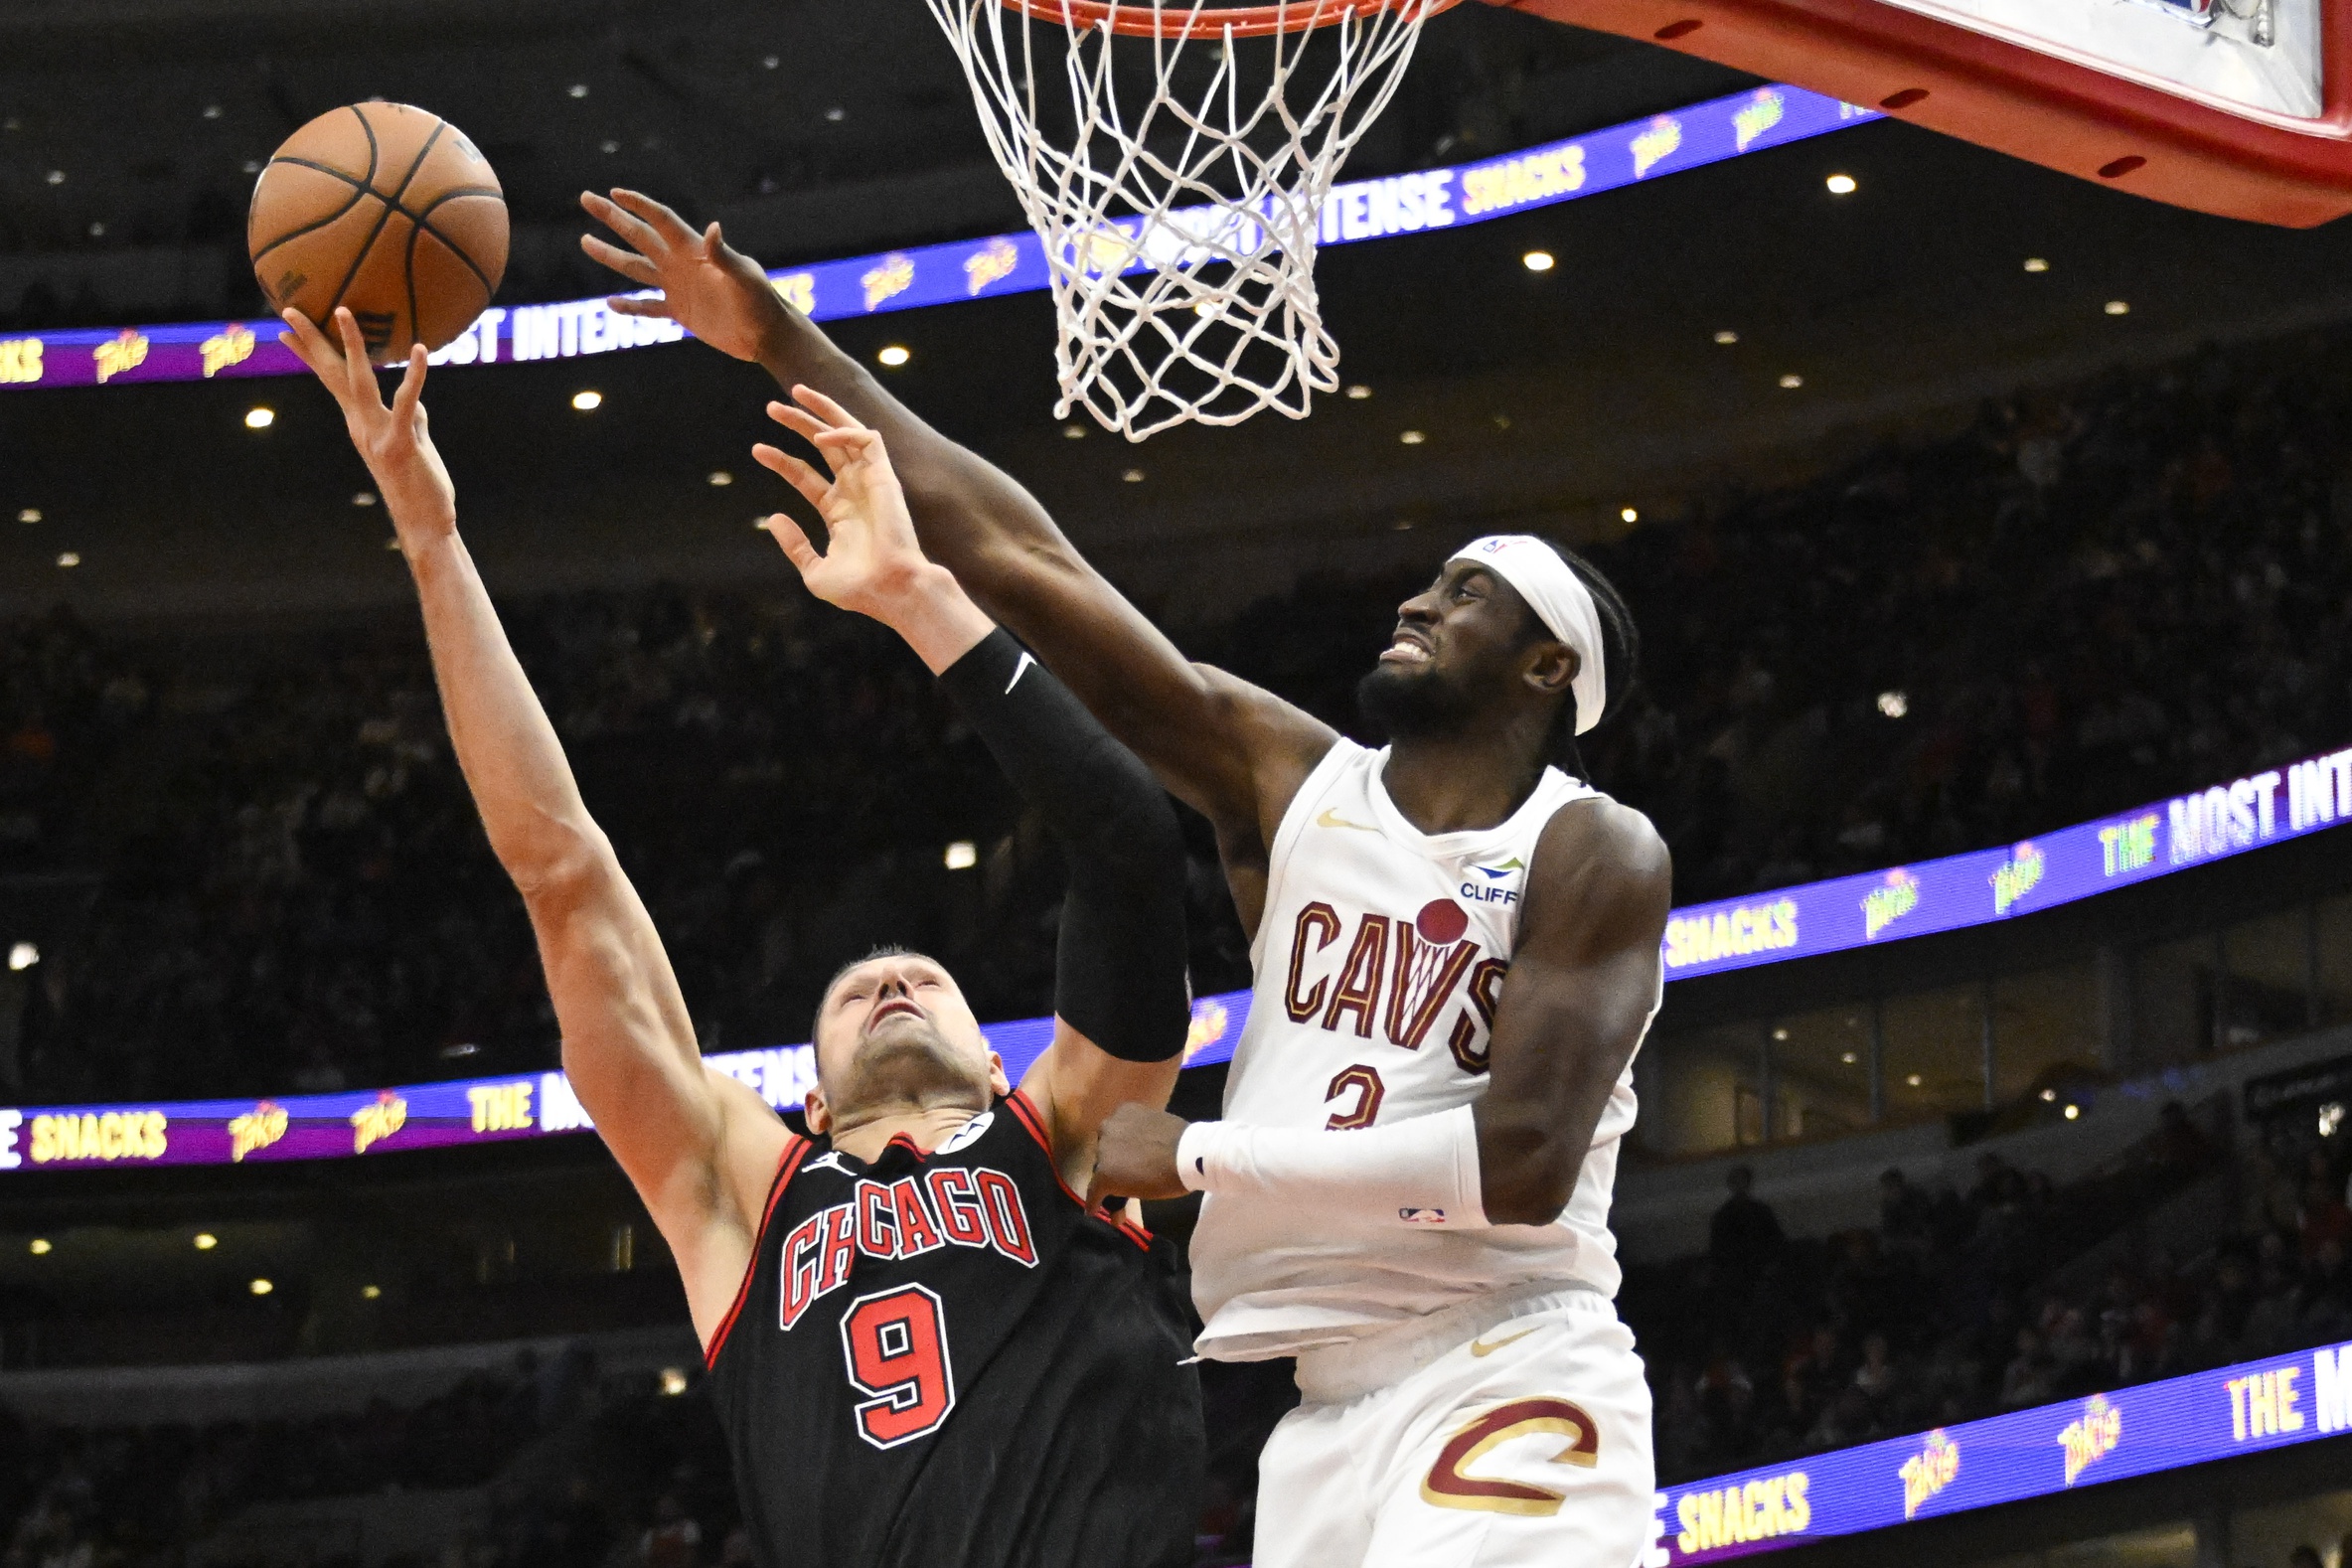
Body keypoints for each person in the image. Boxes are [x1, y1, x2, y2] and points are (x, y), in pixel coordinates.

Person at [580, 188, 1670, 1568]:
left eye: (1462, 595)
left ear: (1543, 669)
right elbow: (1034, 565)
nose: (1413, 601)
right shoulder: (1293, 785)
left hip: (1503, 1355)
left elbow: (1518, 1167)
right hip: (1327, 1398)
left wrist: (1201, 1153)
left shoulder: (1587, 846)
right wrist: (781, 340)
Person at [276, 307, 1203, 1568]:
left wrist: (921, 598)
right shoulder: (742, 1195)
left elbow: (1131, 848)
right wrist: (431, 536)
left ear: (1001, 1065)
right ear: (809, 1104)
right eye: (860, 991)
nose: (889, 979)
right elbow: (560, 868)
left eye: (925, 982)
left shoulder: (1077, 1138)